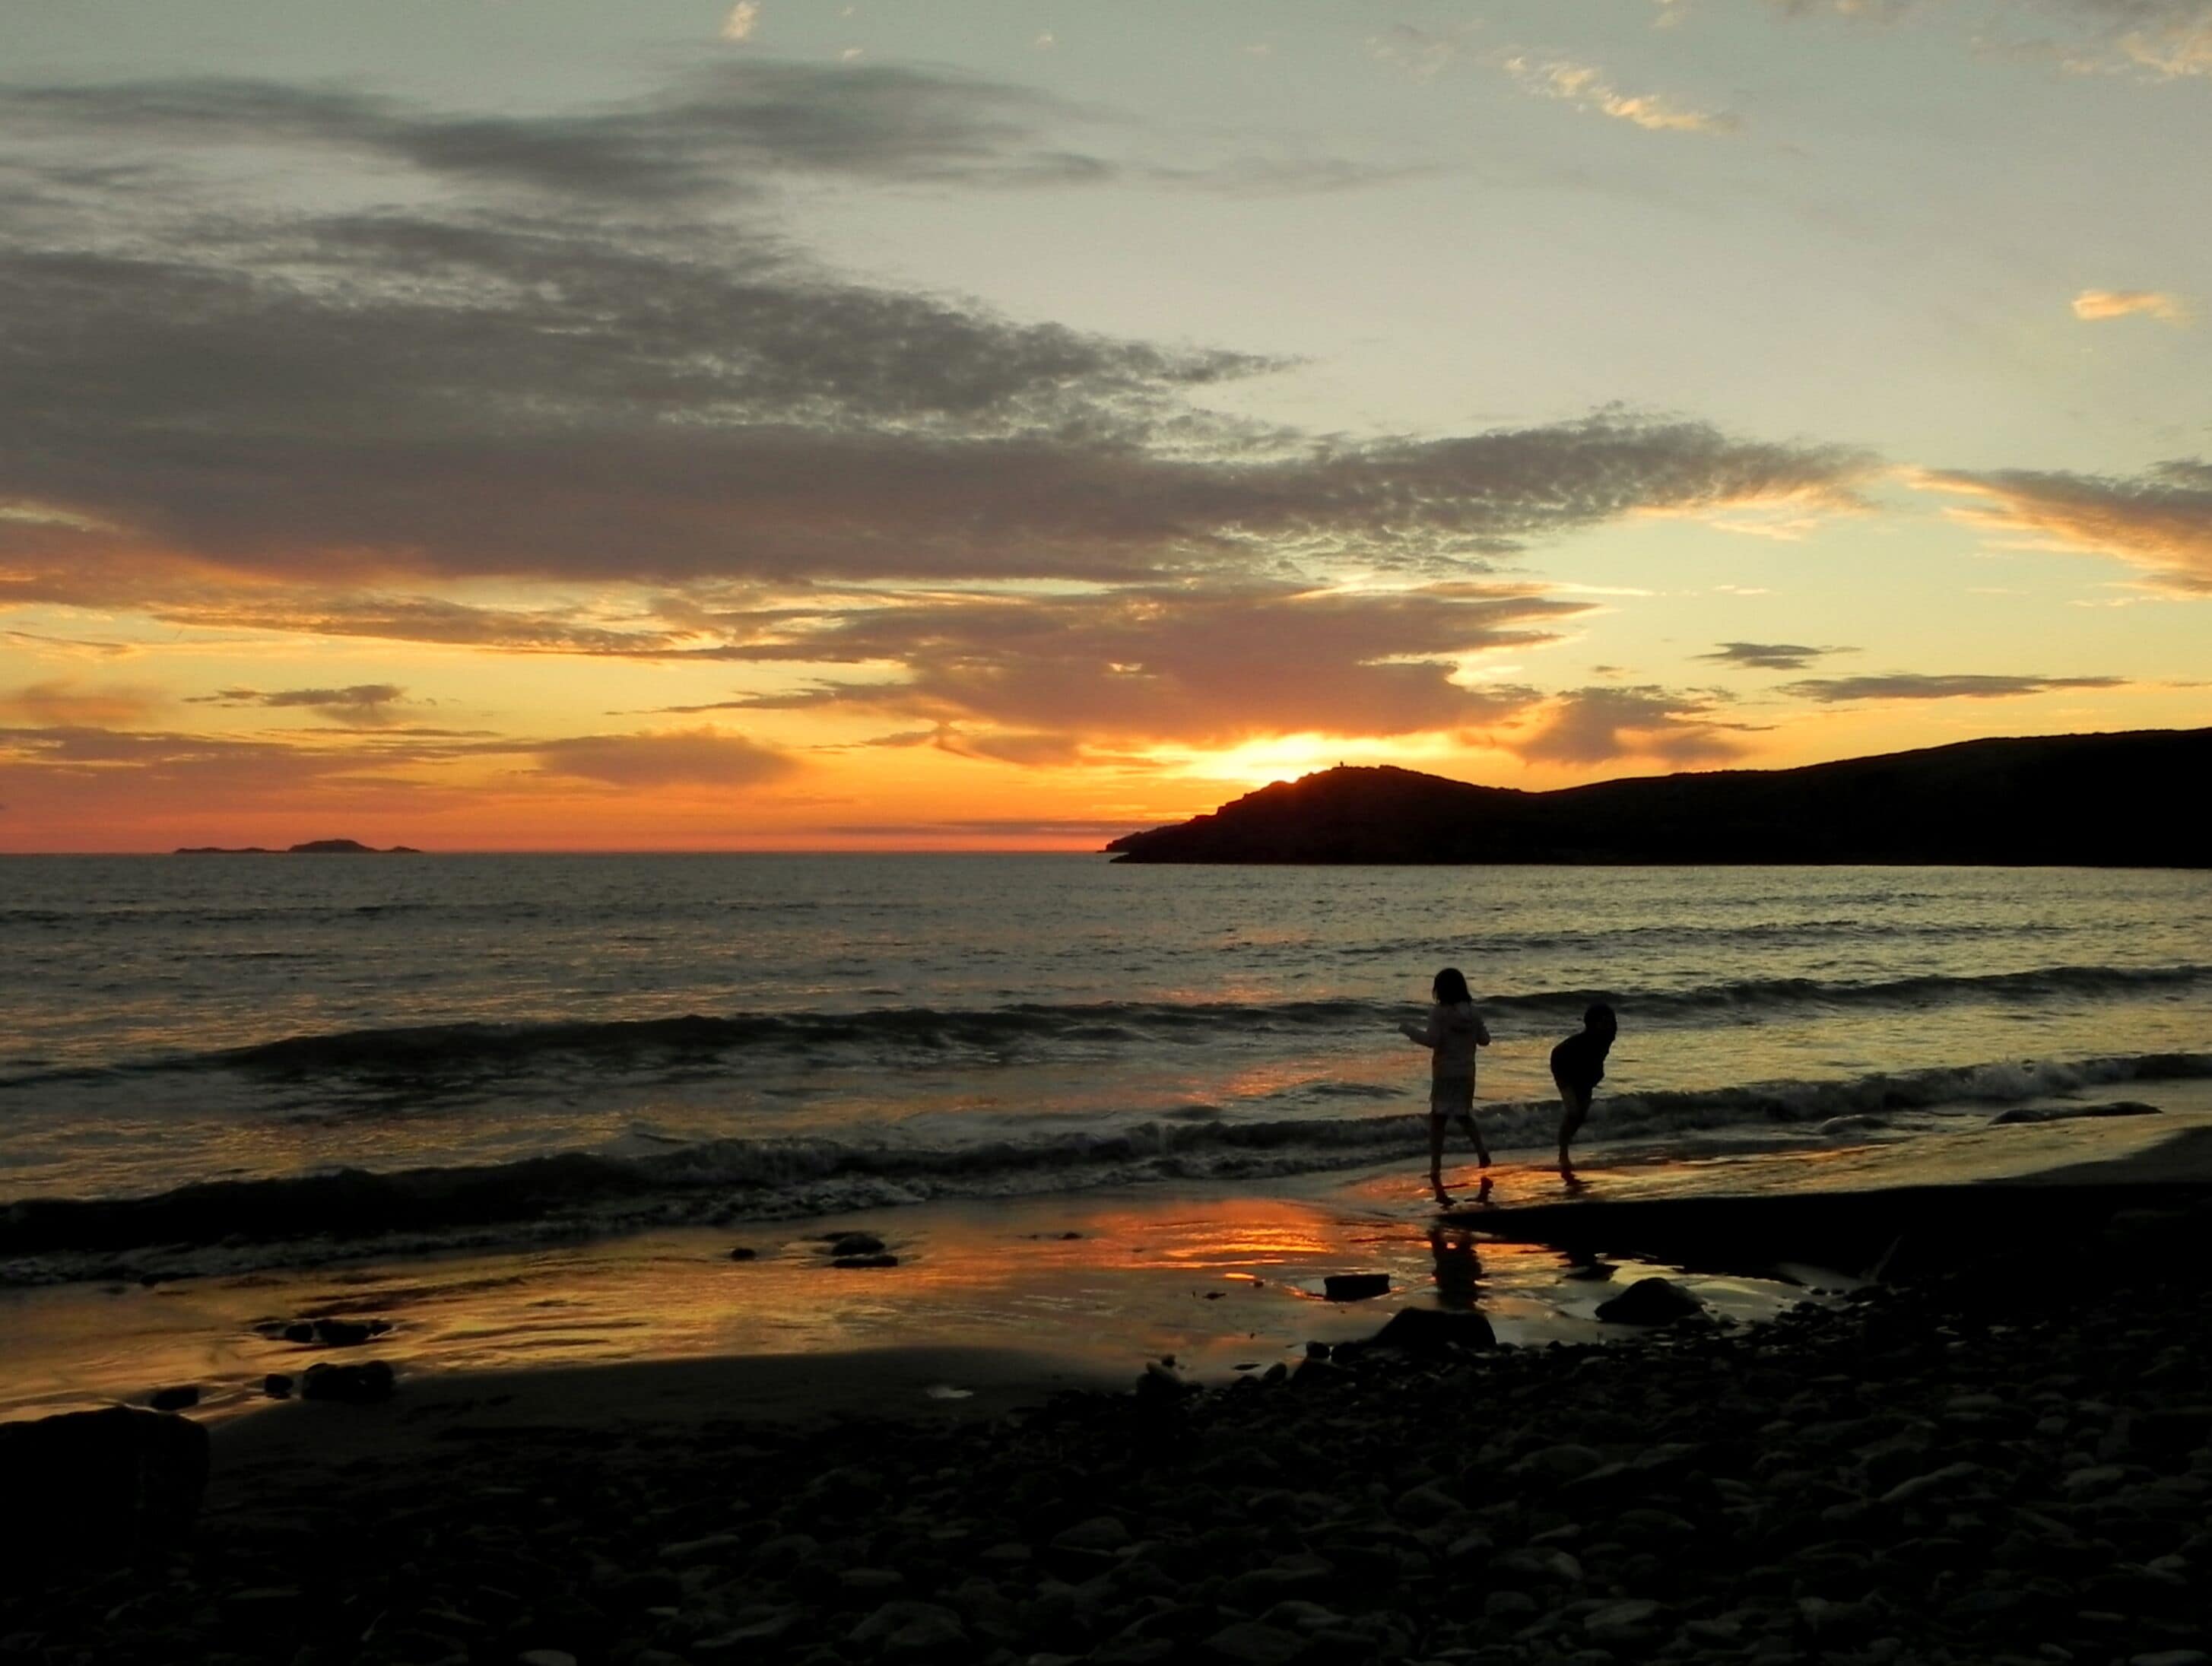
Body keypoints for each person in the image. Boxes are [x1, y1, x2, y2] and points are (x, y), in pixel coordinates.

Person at [1400, 967, 1490, 1205]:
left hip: (1444, 1073)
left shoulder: (1439, 1014)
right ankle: (1481, 1151)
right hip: (1467, 1073)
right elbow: (1485, 1040)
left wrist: (1408, 1030)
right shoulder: (1474, 1013)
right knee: (1463, 1115)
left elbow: (1432, 1041)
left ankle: (1435, 1166)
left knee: (1438, 1119)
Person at [1550, 1002, 1618, 1179]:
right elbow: (1569, 1059)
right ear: (1592, 1024)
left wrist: (1596, 1075)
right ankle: (1563, 1153)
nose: (1607, 1025)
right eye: (1603, 1022)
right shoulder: (1583, 1041)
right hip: (1562, 1064)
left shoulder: (1609, 1036)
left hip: (1585, 1071)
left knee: (1581, 1115)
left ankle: (1566, 1144)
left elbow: (1599, 1057)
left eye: (1610, 1022)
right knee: (1573, 1112)